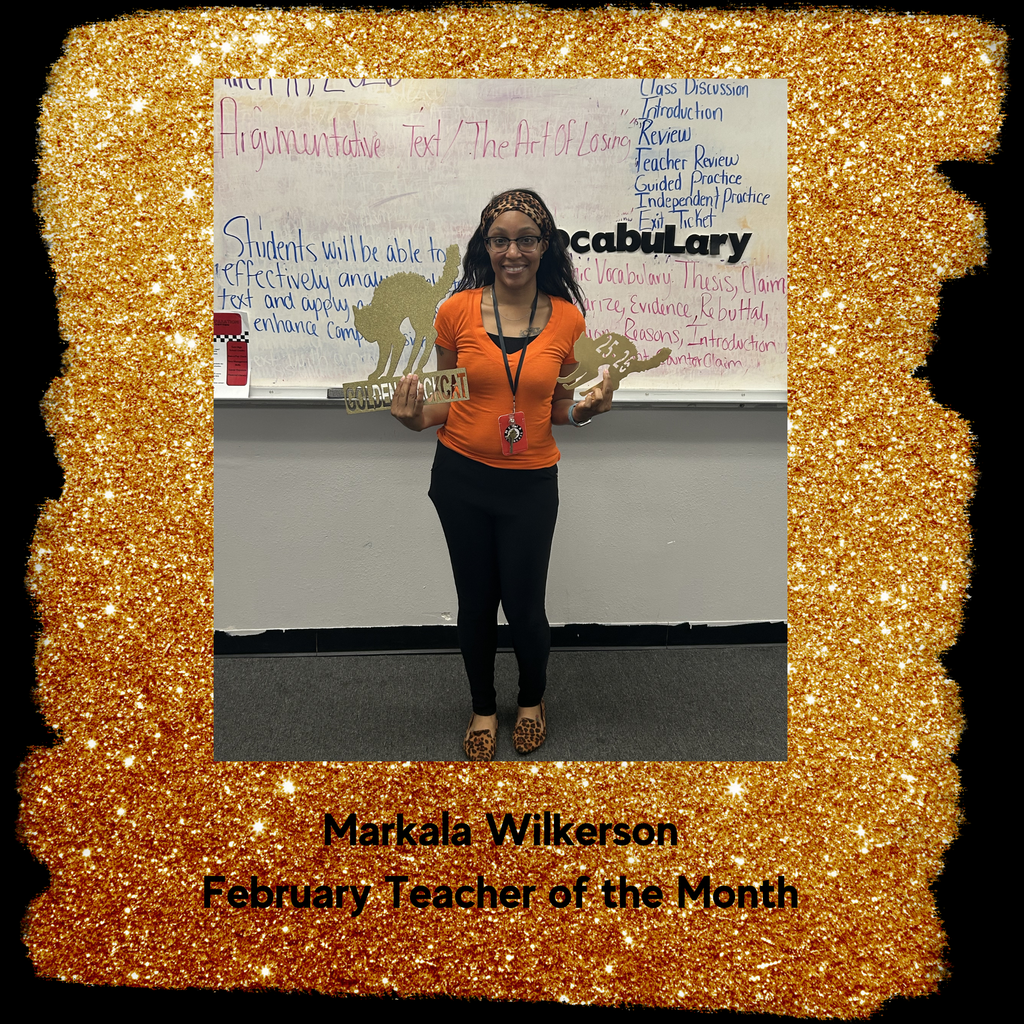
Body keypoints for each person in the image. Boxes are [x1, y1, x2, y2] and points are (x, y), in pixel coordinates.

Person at [390, 189, 613, 760]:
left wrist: (584, 411)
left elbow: (555, 407)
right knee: (475, 601)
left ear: (545, 247)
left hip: (531, 484)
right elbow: (444, 402)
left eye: (526, 239)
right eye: (500, 240)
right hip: (461, 477)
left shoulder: (568, 319)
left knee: (525, 603)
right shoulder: (455, 311)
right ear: (485, 246)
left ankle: (532, 700)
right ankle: (484, 707)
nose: (513, 251)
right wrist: (416, 421)